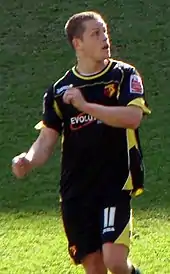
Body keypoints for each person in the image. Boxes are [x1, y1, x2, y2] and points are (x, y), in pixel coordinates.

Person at [12, 11, 151, 274]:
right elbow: (46, 139)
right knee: (95, 268)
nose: (104, 38)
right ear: (78, 43)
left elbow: (132, 117)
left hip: (115, 181)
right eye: (95, 33)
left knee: (115, 262)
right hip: (77, 189)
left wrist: (86, 105)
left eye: (105, 32)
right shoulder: (59, 90)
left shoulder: (123, 75)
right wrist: (28, 160)